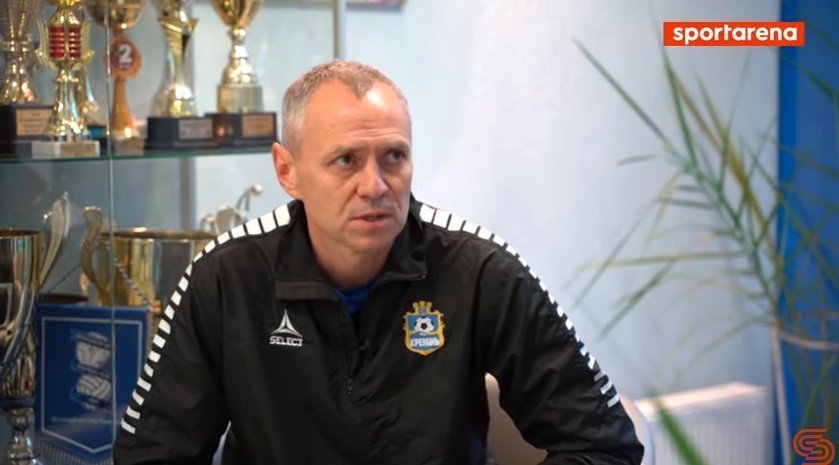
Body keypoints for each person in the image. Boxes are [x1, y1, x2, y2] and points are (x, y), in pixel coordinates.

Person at [113, 60, 644, 465]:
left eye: (394, 157)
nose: (375, 186)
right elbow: (151, 457)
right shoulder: (224, 278)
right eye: (346, 160)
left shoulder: (481, 272)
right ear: (287, 170)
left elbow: (603, 445)